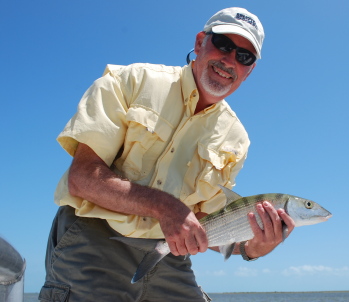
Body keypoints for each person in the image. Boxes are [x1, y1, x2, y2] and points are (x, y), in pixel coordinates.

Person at [39, 7, 296, 302]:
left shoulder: (237, 140)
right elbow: (82, 178)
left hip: (169, 256)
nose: (230, 60)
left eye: (244, 56)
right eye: (224, 44)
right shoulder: (131, 81)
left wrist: (252, 249)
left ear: (248, 72)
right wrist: (165, 207)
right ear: (200, 42)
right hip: (97, 237)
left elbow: (201, 223)